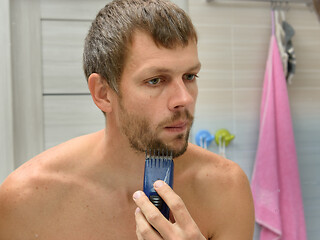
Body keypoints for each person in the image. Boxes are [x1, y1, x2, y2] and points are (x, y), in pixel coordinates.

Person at [0, 0, 255, 239]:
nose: (184, 99)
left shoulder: (226, 188)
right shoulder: (27, 199)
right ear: (103, 93)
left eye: (189, 76)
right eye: (155, 80)